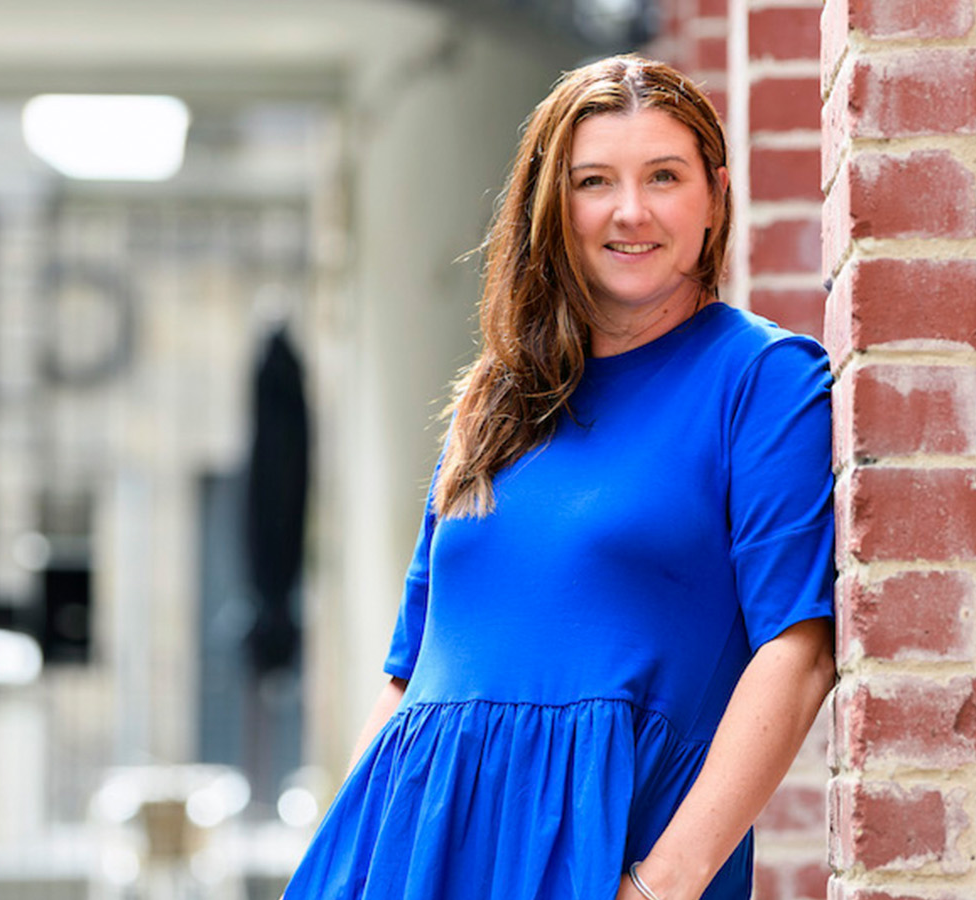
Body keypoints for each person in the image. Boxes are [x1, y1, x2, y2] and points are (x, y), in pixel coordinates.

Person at [284, 55, 837, 899]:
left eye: (664, 176)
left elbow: (798, 652)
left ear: (715, 197)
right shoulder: (494, 400)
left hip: (599, 853)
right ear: (554, 204)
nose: (631, 210)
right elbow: (408, 674)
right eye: (594, 181)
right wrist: (346, 861)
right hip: (405, 858)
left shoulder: (762, 379)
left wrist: (661, 887)